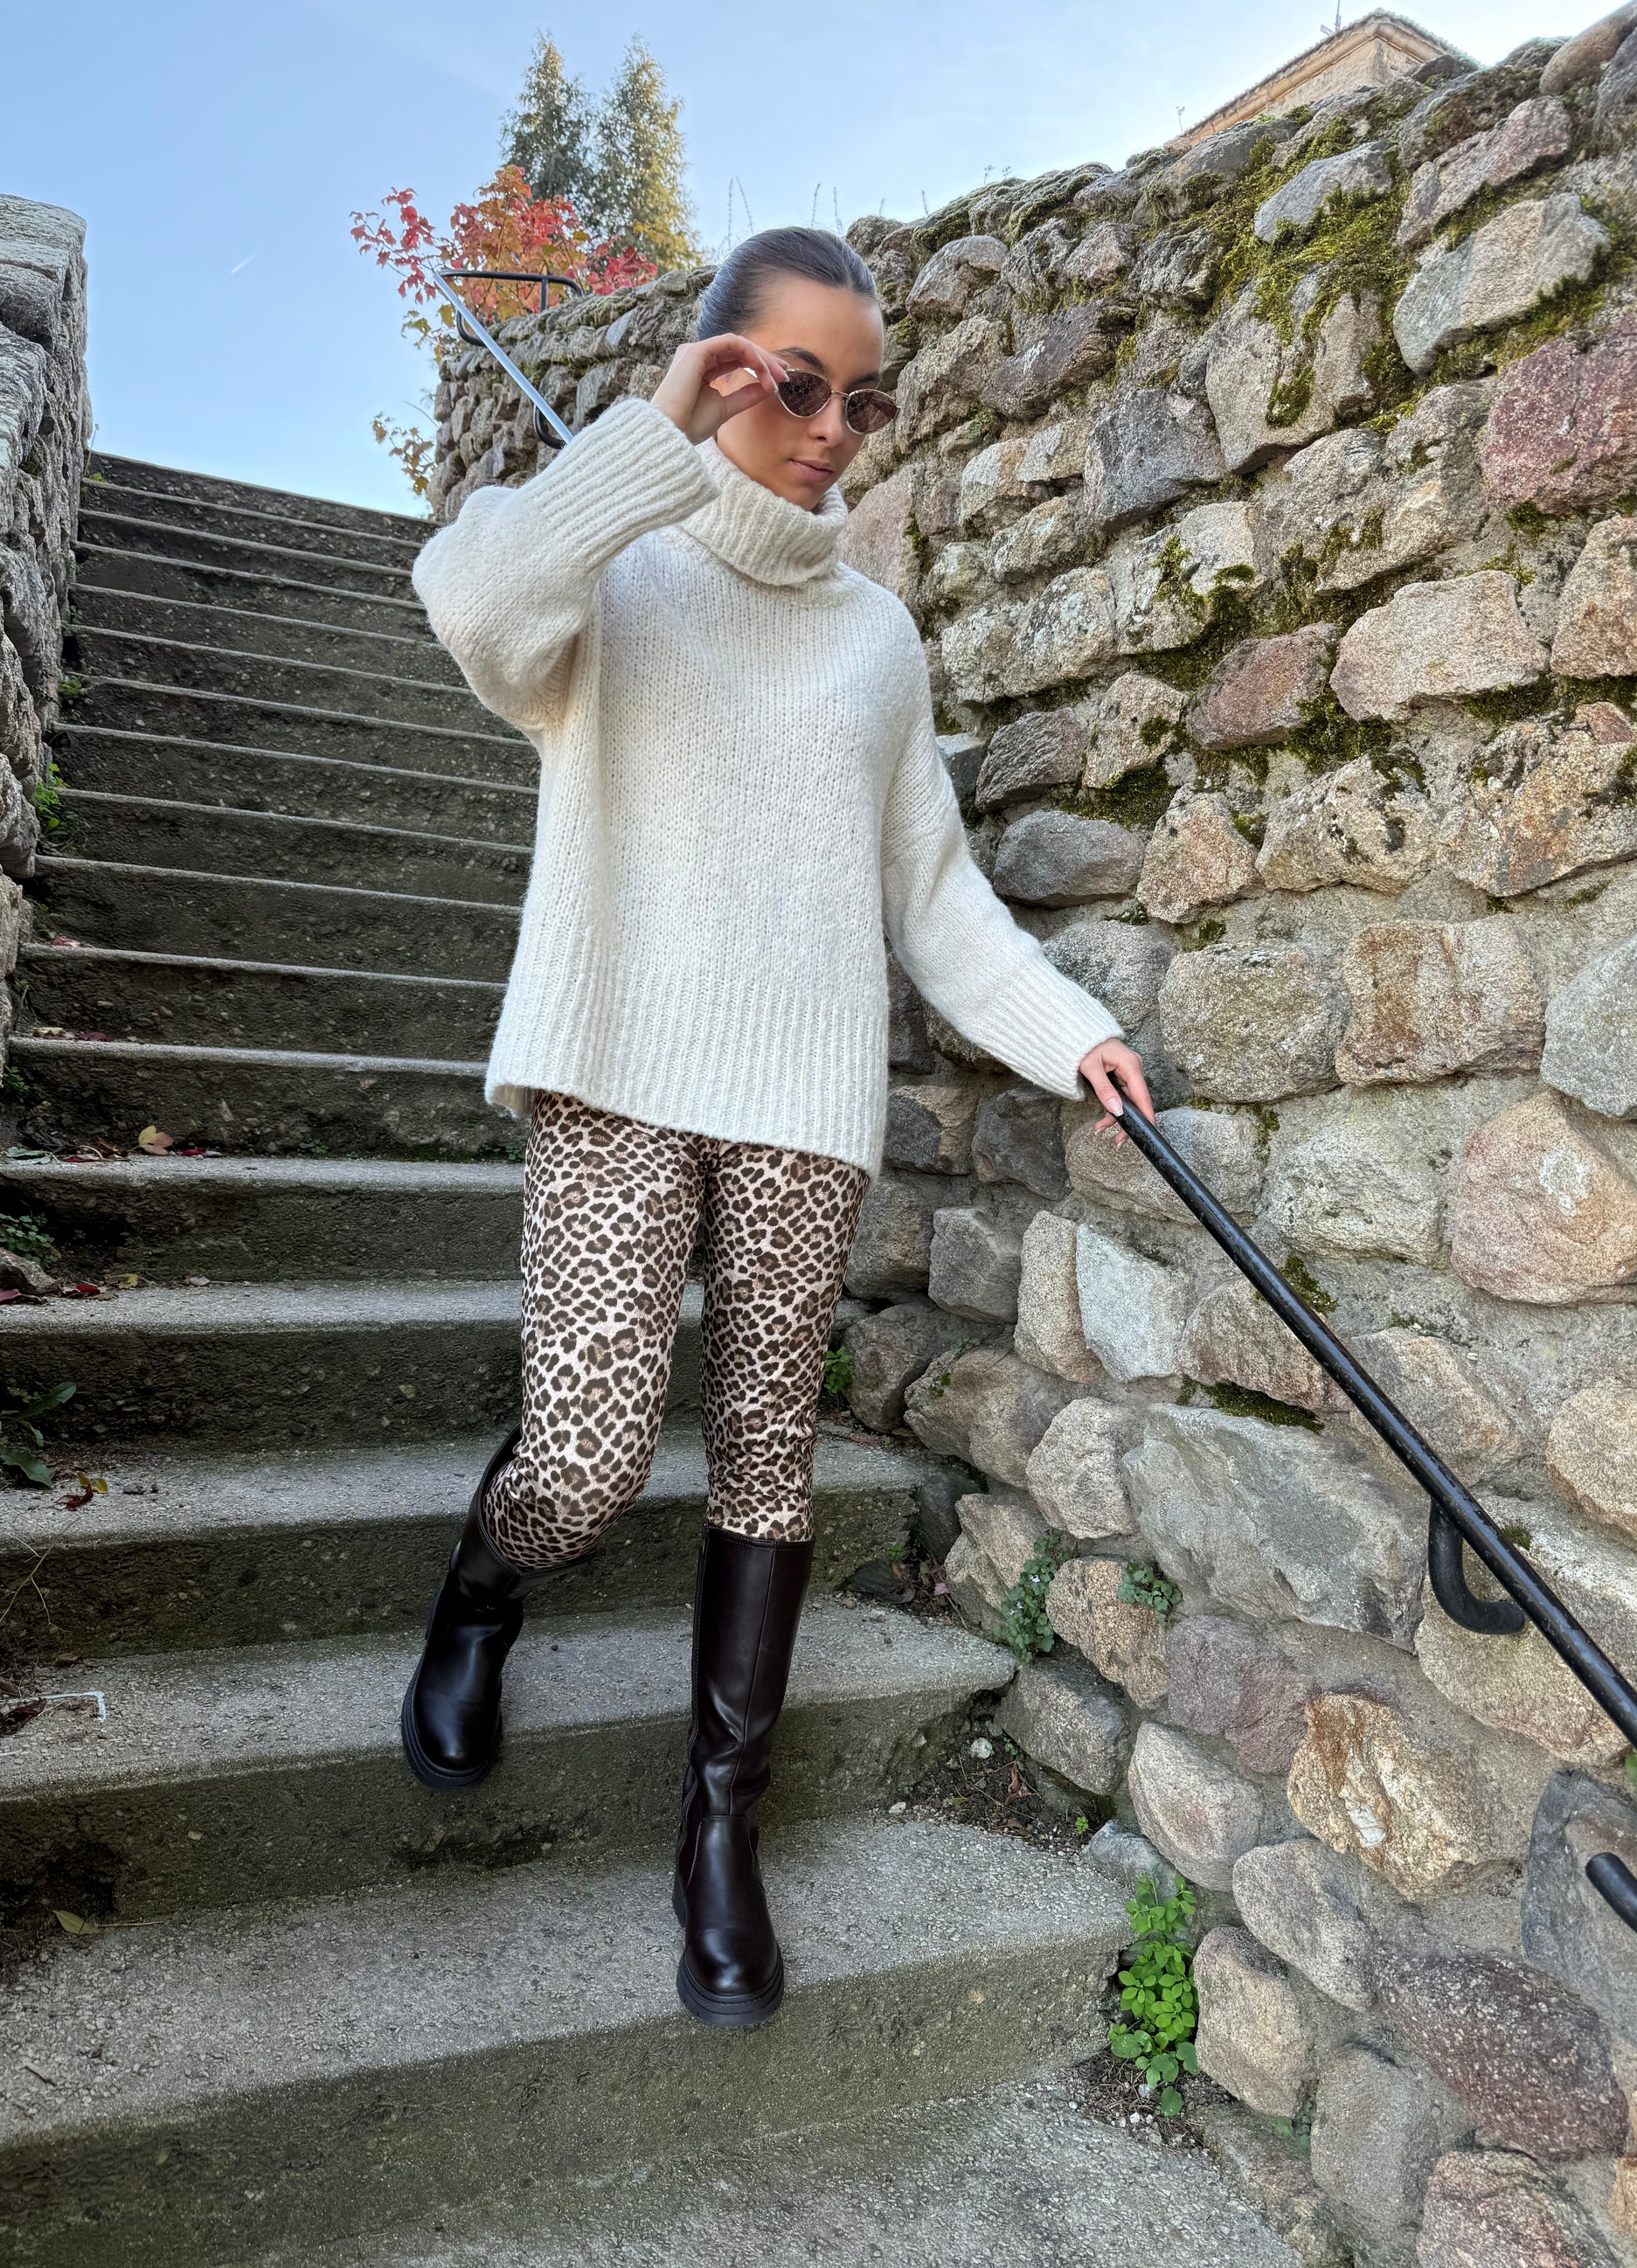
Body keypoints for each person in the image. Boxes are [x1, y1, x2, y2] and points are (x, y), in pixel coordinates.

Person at [400, 226, 1153, 2029]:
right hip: (614, 1067)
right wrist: (654, 423)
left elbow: (936, 896)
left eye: (860, 400)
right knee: (586, 1461)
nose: (831, 429)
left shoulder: (876, 636)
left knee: (763, 1462)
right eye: (796, 384)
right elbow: (476, 604)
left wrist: (1073, 1033)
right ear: (724, 366)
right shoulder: (616, 570)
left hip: (800, 1099)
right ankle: (486, 1584)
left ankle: (718, 1831)